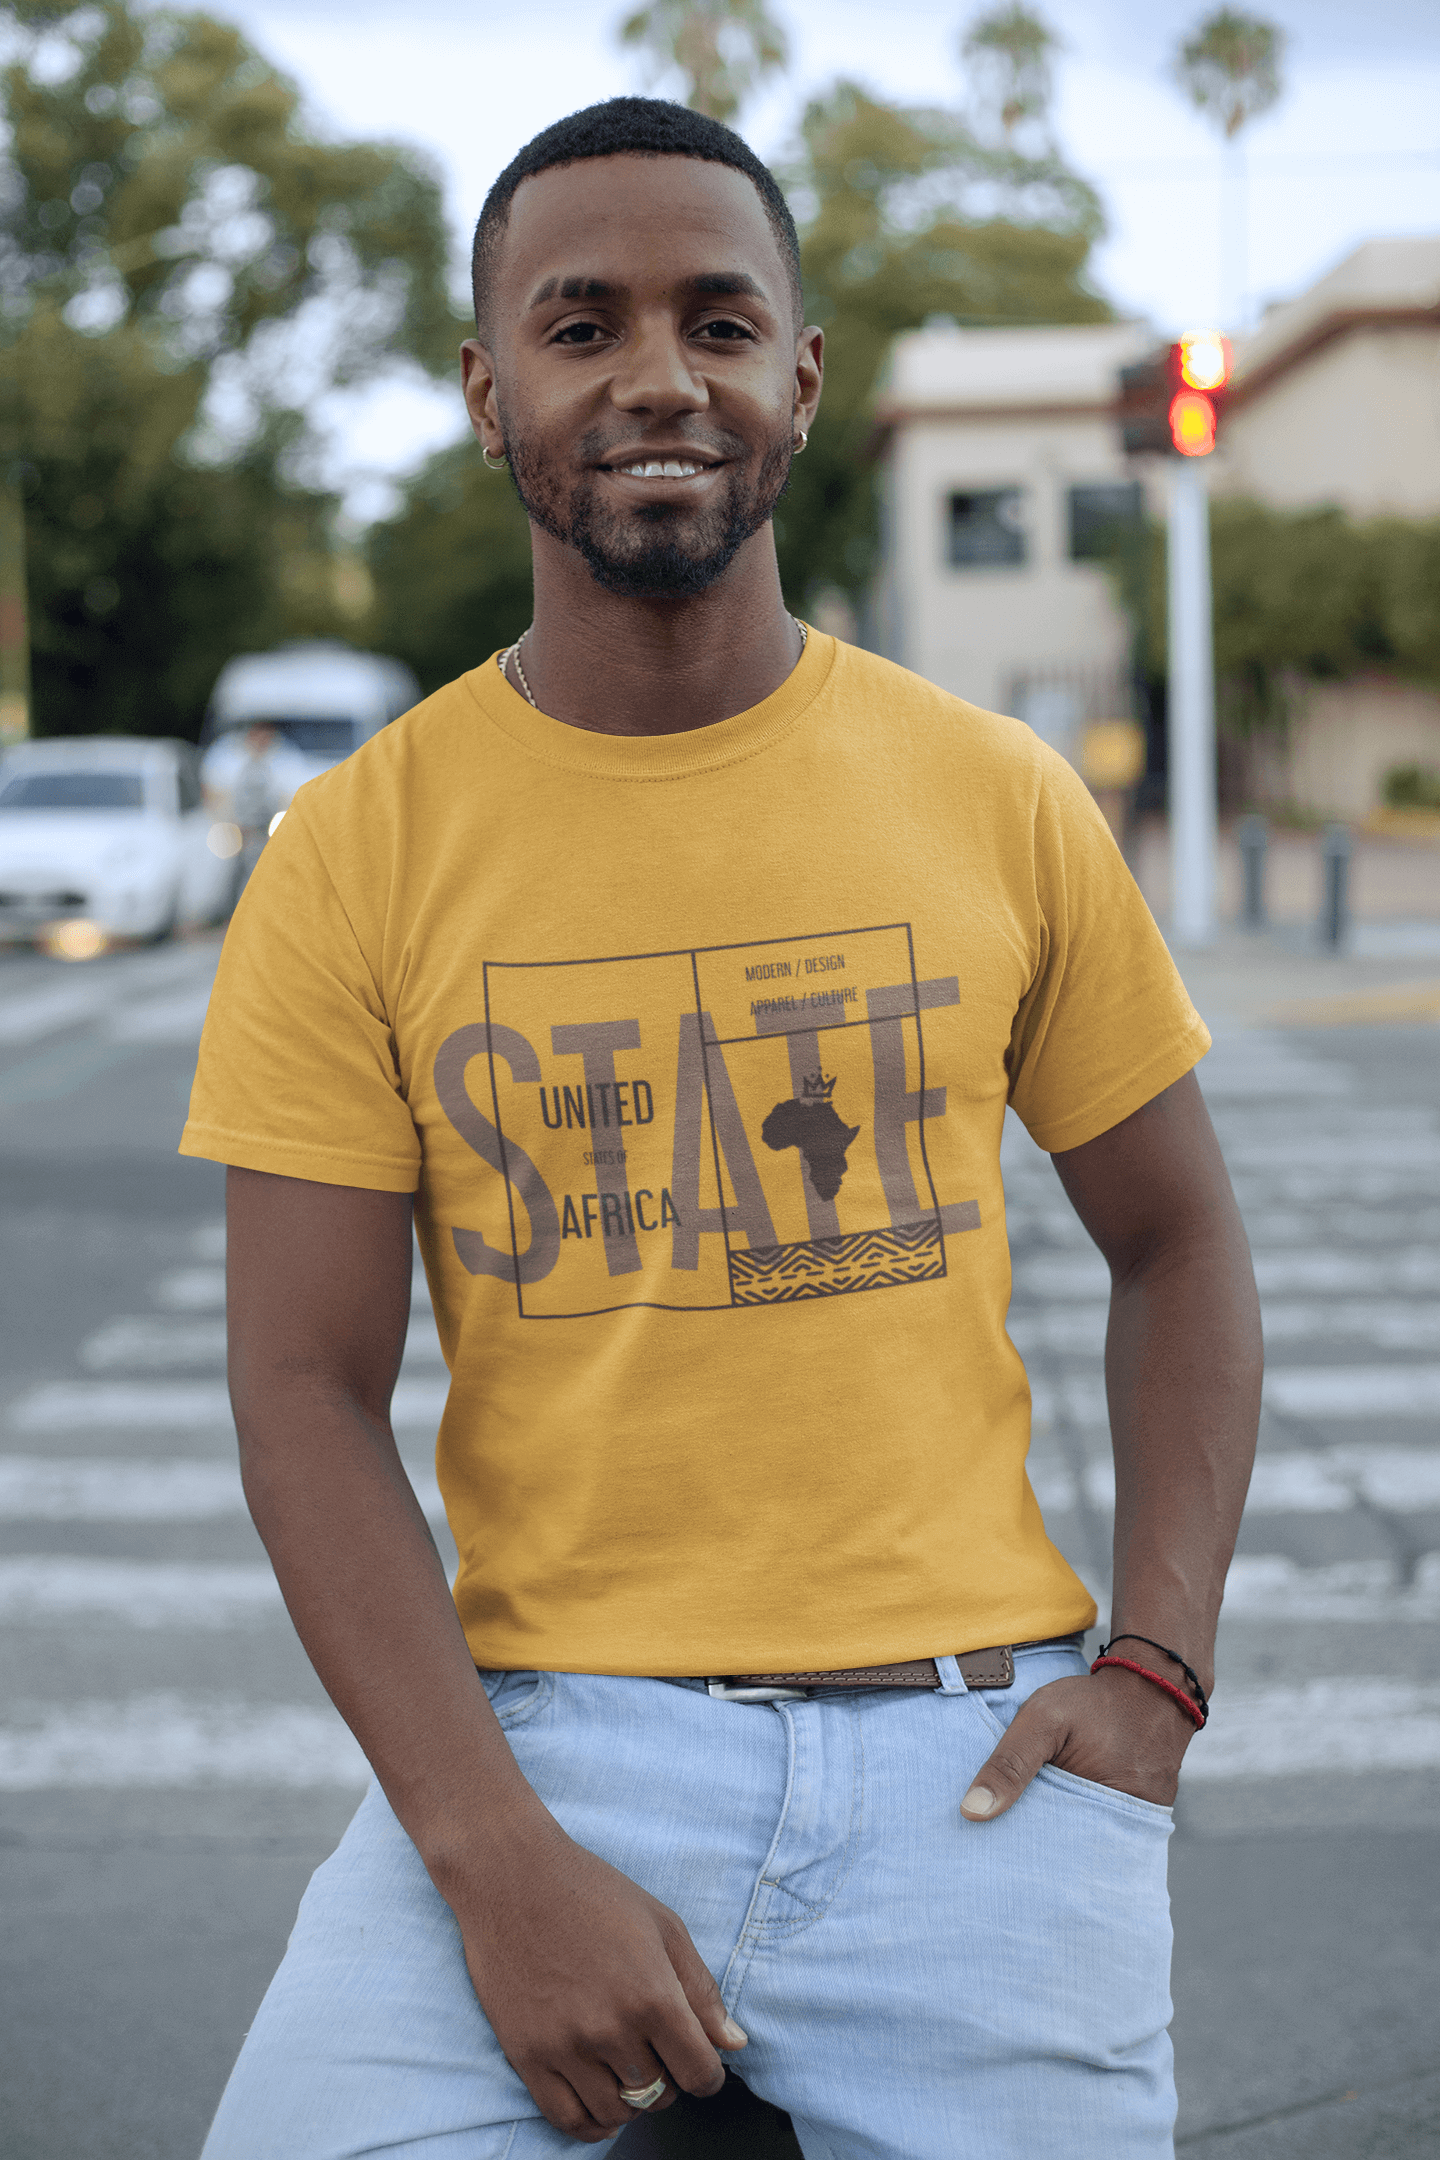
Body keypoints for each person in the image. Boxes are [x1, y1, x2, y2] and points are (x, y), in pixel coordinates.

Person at [182, 97, 1262, 2160]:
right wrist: (491, 1860)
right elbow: (303, 1385)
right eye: (581, 328)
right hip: (542, 1746)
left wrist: (1158, 1673)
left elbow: (1182, 1247)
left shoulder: (995, 792)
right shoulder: (355, 853)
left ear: (802, 378)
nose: (659, 374)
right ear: (491, 396)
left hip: (983, 1756)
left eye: (718, 318)